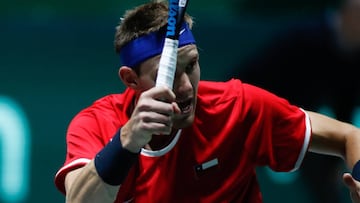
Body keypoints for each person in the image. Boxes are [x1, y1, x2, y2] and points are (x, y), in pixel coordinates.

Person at [54, 1, 360, 202]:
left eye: (191, 66)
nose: (186, 86)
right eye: (169, 74)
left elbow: (349, 135)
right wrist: (126, 143)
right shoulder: (97, 123)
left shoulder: (237, 107)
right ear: (131, 80)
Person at [230, 0, 360, 202]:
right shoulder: (305, 38)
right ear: (345, 13)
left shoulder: (352, 54)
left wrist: (338, 161)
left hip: (294, 119)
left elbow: (345, 106)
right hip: (254, 112)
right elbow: (250, 76)